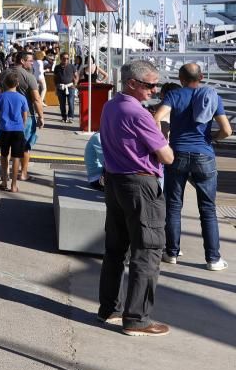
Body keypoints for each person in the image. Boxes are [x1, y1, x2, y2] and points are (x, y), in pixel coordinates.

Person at [97, 60, 174, 336]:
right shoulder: (138, 114)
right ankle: (138, 318)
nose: (155, 90)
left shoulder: (110, 106)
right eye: (150, 85)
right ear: (132, 83)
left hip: (116, 180)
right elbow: (167, 156)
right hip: (141, 184)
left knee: (115, 249)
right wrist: (162, 132)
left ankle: (110, 309)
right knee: (148, 250)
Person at [153, 63, 231, 270]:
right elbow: (227, 130)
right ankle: (213, 259)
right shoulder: (212, 97)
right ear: (202, 76)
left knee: (174, 205)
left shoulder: (174, 96)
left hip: (177, 154)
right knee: (207, 209)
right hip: (204, 155)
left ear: (180, 78)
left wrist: (161, 142)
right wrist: (212, 137)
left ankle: (171, 253)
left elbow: (156, 117)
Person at [0, 72, 28, 192]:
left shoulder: (0, 97)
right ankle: (14, 185)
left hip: (4, 129)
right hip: (18, 130)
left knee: (4, 155)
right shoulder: (22, 98)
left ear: (5, 83)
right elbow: (25, 116)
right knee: (16, 157)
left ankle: (4, 181)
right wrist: (22, 126)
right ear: (17, 84)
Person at [11, 51, 46, 180]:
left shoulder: (5, 74)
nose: (32, 63)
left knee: (9, 145)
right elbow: (37, 99)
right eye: (30, 61)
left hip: (8, 115)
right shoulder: (29, 76)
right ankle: (23, 174)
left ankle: (5, 175)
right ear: (22, 61)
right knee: (25, 146)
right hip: (26, 116)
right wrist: (41, 116)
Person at [53, 53, 79, 124]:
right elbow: (55, 78)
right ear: (61, 58)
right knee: (62, 104)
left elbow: (76, 76)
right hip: (60, 87)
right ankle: (64, 117)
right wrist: (56, 86)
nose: (66, 60)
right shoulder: (57, 67)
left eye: (67, 58)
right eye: (64, 58)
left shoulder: (72, 66)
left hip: (70, 87)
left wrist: (75, 84)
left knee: (71, 102)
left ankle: (71, 117)